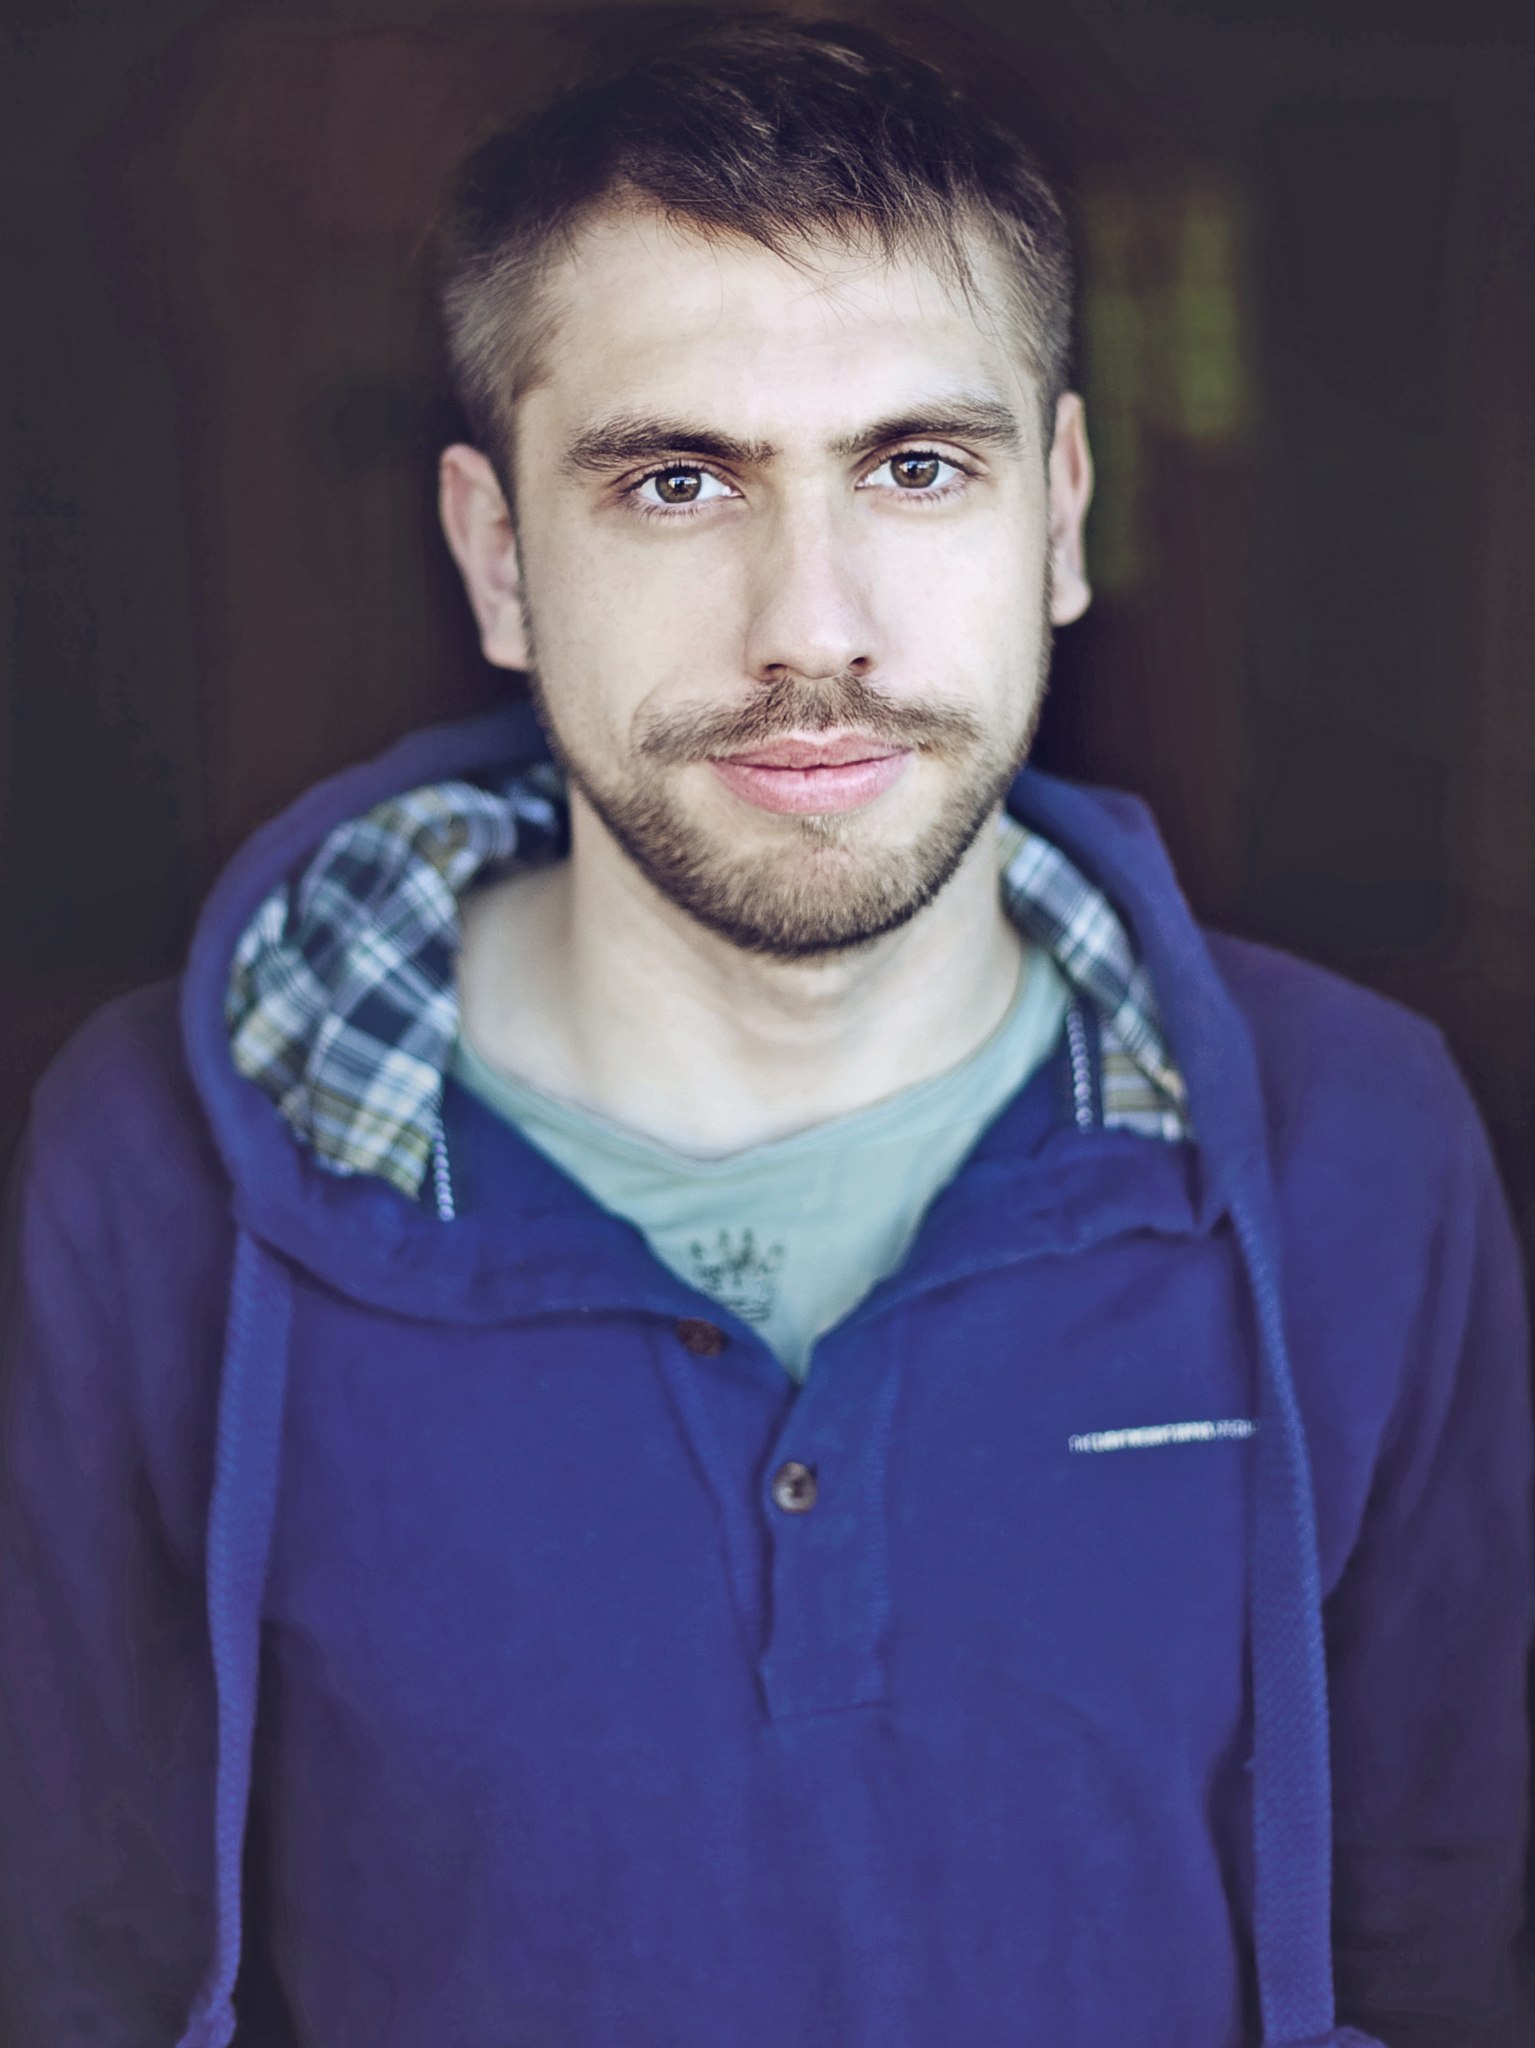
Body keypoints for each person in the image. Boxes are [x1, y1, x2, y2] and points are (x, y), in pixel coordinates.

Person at [0, 15, 1529, 2047]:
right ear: (497, 557)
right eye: (674, 480)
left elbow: (1444, 1949)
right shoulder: (150, 1172)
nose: (812, 623)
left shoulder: (1363, 1144)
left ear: (1060, 518)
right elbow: (81, 1971)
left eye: (918, 466)